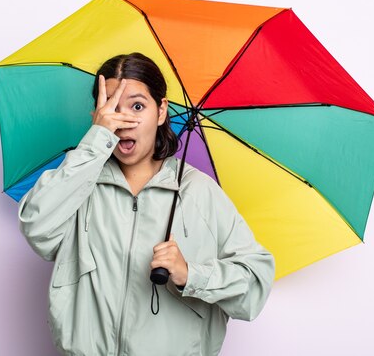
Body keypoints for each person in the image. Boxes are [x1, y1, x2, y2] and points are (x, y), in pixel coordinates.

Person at [18, 52, 275, 356]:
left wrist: (190, 274)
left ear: (161, 110)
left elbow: (254, 286)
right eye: (111, 107)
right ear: (96, 115)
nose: (124, 121)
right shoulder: (78, 184)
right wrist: (97, 140)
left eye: (137, 106)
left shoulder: (199, 192)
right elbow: (36, 227)